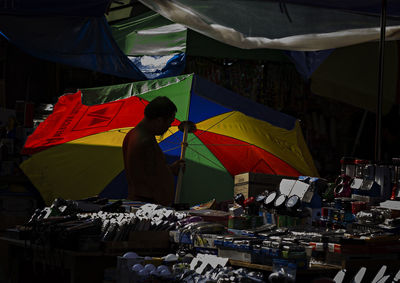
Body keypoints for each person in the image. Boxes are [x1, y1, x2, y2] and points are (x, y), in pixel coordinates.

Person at [122, 96, 184, 206]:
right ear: (159, 120)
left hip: (139, 201)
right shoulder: (145, 141)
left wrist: (170, 169)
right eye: (169, 122)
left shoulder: (132, 134)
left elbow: (149, 171)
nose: (169, 126)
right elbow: (152, 181)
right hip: (147, 205)